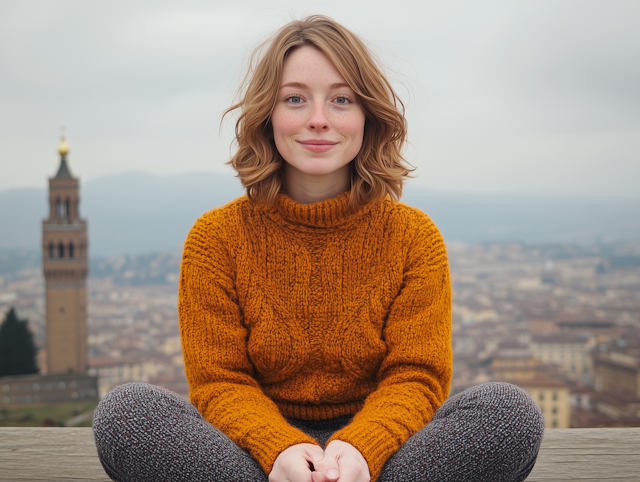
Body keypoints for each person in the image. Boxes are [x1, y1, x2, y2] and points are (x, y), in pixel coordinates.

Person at [93, 15, 544, 482]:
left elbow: (416, 377)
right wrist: (281, 449)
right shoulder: (216, 239)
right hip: (255, 451)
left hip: (382, 454)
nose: (318, 120)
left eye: (341, 99)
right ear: (267, 114)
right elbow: (220, 381)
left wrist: (360, 449)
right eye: (294, 99)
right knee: (126, 412)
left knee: (507, 412)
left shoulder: (413, 237)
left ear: (368, 115)